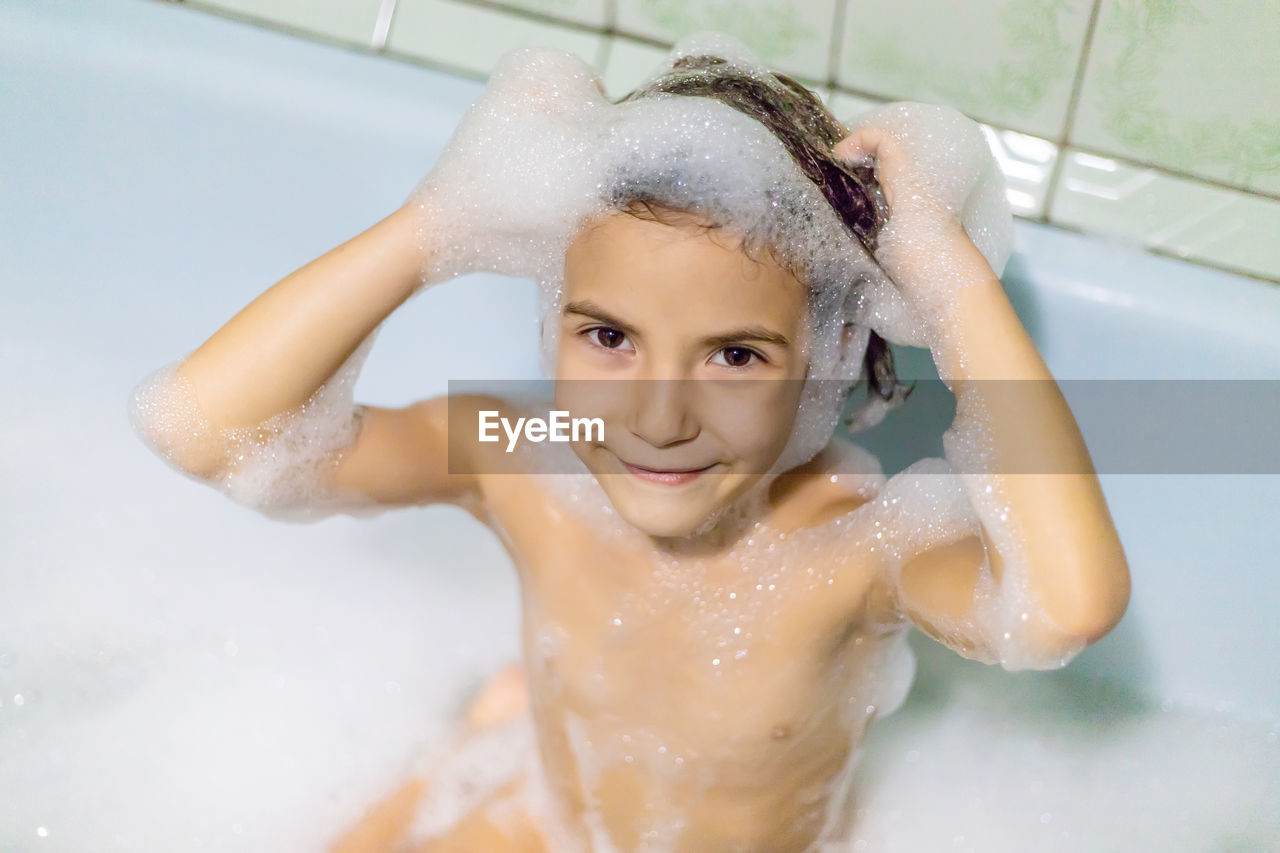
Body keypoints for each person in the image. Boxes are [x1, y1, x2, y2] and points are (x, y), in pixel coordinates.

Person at [128, 34, 1130, 853]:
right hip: (549, 816)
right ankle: (494, 730)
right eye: (608, 336)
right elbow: (205, 431)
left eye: (735, 356)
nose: (658, 418)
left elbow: (1061, 608)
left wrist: (946, 279)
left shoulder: (852, 550)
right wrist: (436, 226)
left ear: (828, 356)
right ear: (552, 314)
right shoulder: (532, 454)